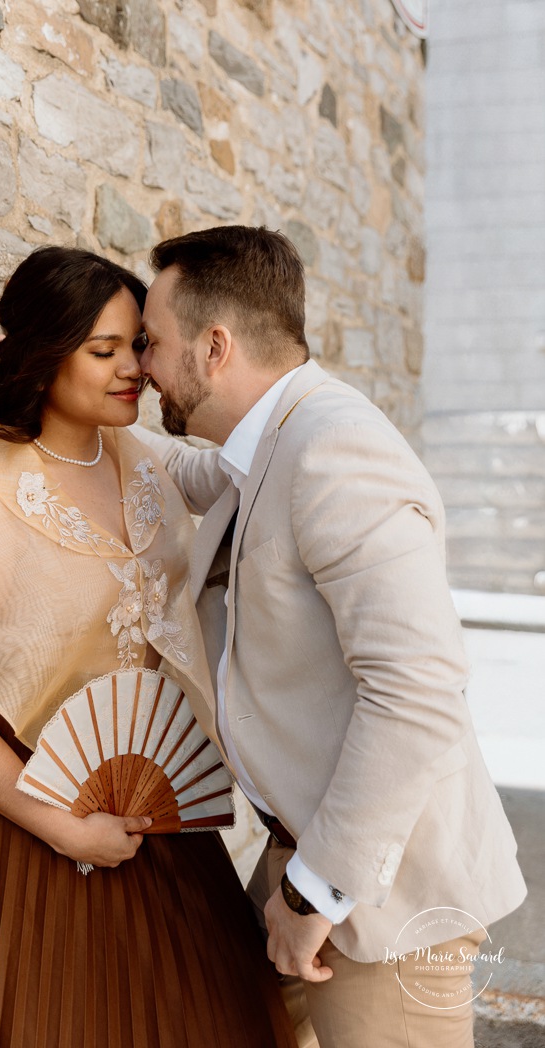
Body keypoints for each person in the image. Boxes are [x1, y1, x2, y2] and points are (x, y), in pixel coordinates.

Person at [0, 246, 298, 1048]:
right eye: (103, 352)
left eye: (136, 344)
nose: (133, 368)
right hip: (23, 812)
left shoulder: (137, 457)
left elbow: (244, 479)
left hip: (149, 803)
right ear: (42, 357)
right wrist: (61, 827)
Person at [134, 225, 527, 1048]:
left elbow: (416, 690)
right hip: (306, 864)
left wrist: (311, 894)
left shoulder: (333, 450)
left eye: (150, 344)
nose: (141, 367)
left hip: (385, 899)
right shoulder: (266, 445)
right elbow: (179, 472)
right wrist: (62, 382)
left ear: (214, 348)